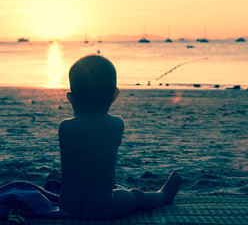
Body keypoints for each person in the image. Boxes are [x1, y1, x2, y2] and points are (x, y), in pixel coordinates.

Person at [58, 55, 182, 219]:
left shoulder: (65, 127)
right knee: (136, 196)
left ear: (71, 98)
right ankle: (164, 195)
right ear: (115, 95)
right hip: (103, 207)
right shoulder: (116, 124)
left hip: (68, 206)